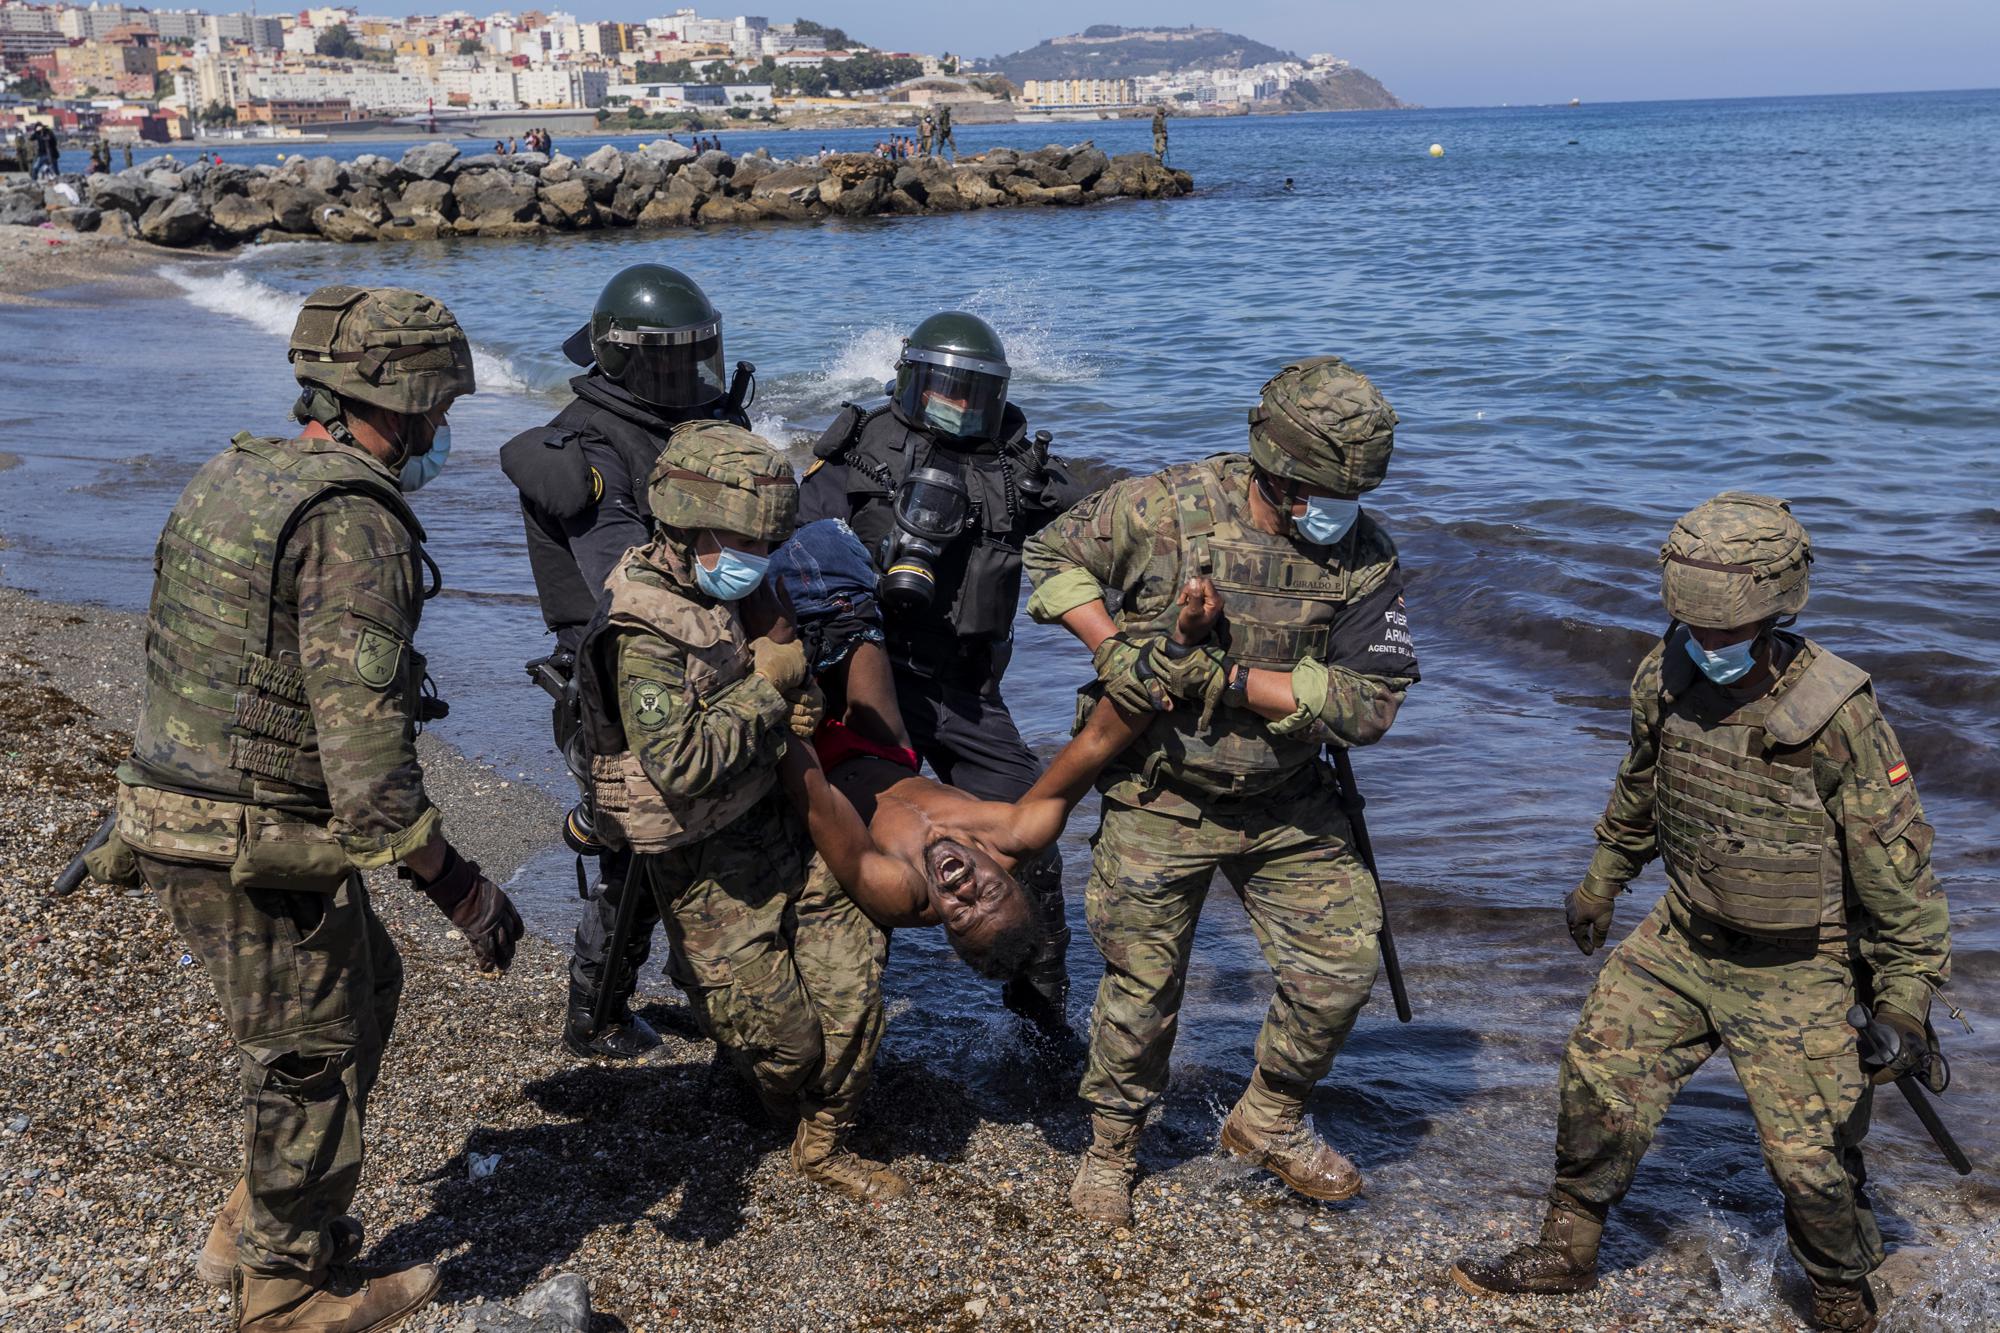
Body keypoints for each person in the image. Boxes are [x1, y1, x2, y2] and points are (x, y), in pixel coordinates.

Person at [83, 286, 523, 1332]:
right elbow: (368, 761)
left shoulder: (239, 472)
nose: (443, 431)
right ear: (407, 401)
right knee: (314, 1051)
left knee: (365, 982)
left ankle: (254, 1218)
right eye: (439, 409)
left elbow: (191, 656)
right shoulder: (351, 521)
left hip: (182, 804)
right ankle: (282, 1290)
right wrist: (461, 889)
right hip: (249, 836)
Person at [1449, 493, 1950, 1333]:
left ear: (1773, 609)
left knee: (1811, 1160)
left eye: (1724, 632)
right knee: (1599, 1071)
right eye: (1695, 628)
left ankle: (1838, 1295)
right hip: (1685, 935)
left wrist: (1904, 1000)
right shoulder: (1665, 674)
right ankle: (1568, 1248)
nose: (1706, 646)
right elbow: (1641, 791)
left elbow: (1900, 873)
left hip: (1800, 961)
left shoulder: (1835, 715)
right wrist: (1602, 881)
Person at [1023, 356, 1421, 1225]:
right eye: (1319, 489)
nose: (1336, 510)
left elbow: (1371, 704)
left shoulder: (1363, 552)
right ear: (1273, 470)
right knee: (1141, 986)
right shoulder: (1165, 506)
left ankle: (1268, 1117)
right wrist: (1111, 648)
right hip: (1161, 791)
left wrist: (1229, 677)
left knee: (1343, 964)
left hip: (1287, 799)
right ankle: (1111, 1148)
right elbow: (1050, 552)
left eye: (1350, 491)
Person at [574, 424, 905, 1200]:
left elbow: (794, 690)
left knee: (854, 986)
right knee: (787, 1047)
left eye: (767, 537)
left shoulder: (733, 585)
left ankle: (821, 1143)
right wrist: (769, 684)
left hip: (782, 817)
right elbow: (682, 765)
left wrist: (796, 692)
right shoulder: (644, 627)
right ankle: (767, 1082)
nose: (760, 553)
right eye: (744, 537)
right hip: (702, 858)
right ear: (686, 524)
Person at [799, 312, 1090, 1037]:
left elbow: (1101, 529)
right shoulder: (858, 455)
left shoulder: (1017, 471)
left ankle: (1040, 1000)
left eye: (974, 394)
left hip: (963, 684)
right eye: (942, 390)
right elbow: (794, 545)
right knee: (840, 847)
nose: (957, 407)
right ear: (908, 382)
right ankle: (845, 985)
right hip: (863, 675)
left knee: (1034, 849)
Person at [773, 517, 1225, 981]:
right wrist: (1179, 644)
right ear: (1011, 878)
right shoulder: (1019, 831)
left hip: (812, 777)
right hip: (881, 752)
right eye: (989, 893)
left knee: (778, 643)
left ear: (945, 926)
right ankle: (824, 549)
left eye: (962, 914)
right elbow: (1097, 742)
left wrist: (777, 706)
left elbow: (818, 802)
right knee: (848, 612)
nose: (965, 890)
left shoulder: (897, 891)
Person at [501, 263, 751, 1061]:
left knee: (709, 834)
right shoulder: (585, 448)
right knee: (637, 851)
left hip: (703, 657)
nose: (685, 373)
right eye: (667, 359)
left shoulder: (687, 421)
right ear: (626, 359)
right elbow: (625, 576)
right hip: (612, 676)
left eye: (694, 355)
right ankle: (595, 1009)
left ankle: (707, 981)